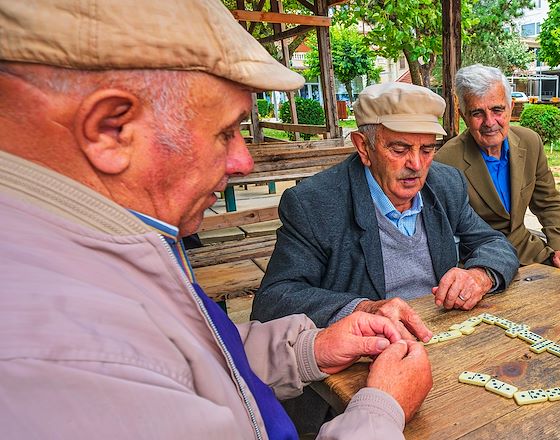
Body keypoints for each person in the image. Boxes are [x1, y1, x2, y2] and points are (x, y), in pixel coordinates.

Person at [0, 0, 432, 438]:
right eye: (226, 131)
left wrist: (309, 348)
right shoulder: (61, 352)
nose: (243, 160)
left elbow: (196, 359)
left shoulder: (103, 241)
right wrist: (381, 409)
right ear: (110, 130)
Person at [252, 82, 519, 336]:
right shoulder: (315, 203)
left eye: (427, 149)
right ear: (363, 147)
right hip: (364, 356)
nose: (416, 164)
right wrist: (363, 309)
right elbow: (273, 300)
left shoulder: (446, 184)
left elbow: (495, 243)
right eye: (400, 149)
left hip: (443, 335)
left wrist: (479, 276)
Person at [436, 64, 560, 267]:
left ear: (510, 107)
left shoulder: (530, 142)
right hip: (479, 266)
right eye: (477, 113)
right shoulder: (445, 162)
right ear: (463, 115)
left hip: (531, 255)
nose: (490, 122)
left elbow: (548, 203)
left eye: (497, 110)